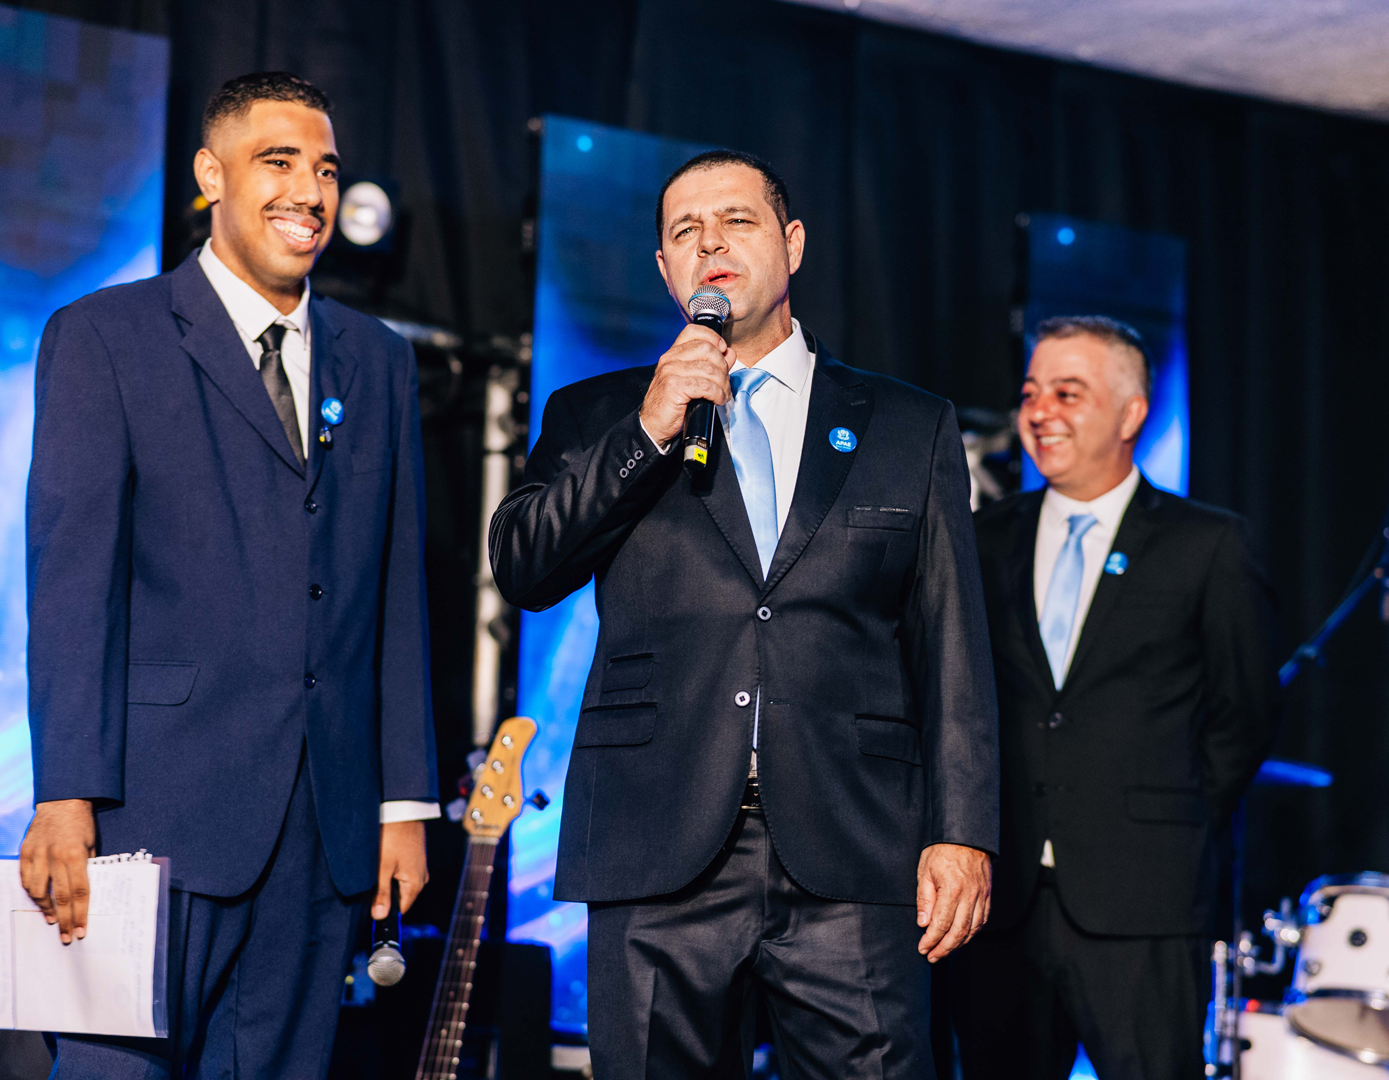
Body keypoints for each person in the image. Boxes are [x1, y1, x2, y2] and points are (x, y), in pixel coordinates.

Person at [490, 149, 998, 1077]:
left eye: (737, 221)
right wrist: (648, 430)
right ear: (664, 270)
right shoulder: (599, 413)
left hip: (854, 846)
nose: (711, 244)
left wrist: (961, 831)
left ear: (792, 244)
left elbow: (951, 642)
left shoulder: (907, 424)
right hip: (656, 842)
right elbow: (524, 566)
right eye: (685, 231)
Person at [20, 72, 438, 1076]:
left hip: (321, 834)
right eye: (278, 162)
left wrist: (405, 803)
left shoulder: (378, 360)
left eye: (326, 170)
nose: (310, 192)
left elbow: (395, 594)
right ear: (212, 175)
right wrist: (66, 794)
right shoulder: (106, 336)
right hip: (145, 817)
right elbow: (71, 584)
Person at [947, 316, 1280, 1079]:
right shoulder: (980, 538)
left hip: (1145, 900)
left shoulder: (1208, 545)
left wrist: (1167, 816)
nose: (1040, 412)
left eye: (1068, 393)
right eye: (1031, 393)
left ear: (1131, 414)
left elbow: (1246, 715)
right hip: (1001, 900)